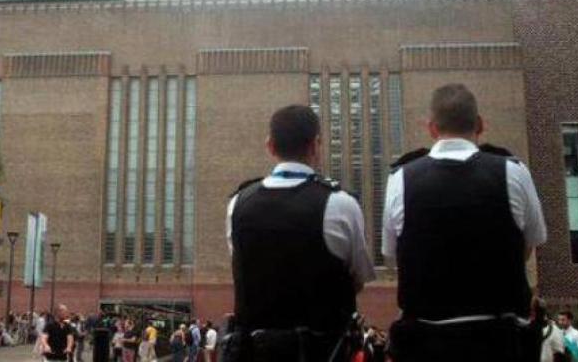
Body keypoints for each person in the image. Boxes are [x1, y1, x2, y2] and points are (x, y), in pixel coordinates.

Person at [382, 84, 548, 362]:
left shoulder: (400, 179)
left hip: (426, 345)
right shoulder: (514, 172)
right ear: (480, 124)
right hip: (500, 342)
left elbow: (393, 256)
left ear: (432, 128)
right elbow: (528, 247)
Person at [226, 105, 376, 361]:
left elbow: (245, 271)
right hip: (323, 351)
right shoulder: (341, 204)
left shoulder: (238, 205)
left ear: (270, 146)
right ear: (316, 145)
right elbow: (357, 279)